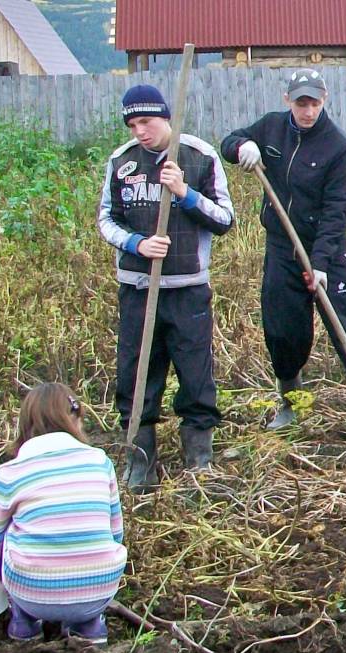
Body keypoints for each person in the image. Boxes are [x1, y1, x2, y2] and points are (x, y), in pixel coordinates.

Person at [220, 69, 346, 442]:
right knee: (283, 332)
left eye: (314, 103)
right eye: (301, 103)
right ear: (288, 100)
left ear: (324, 100)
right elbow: (228, 141)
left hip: (326, 254)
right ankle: (291, 401)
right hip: (281, 249)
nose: (307, 110)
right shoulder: (271, 128)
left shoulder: (337, 148)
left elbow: (336, 213)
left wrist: (319, 265)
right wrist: (241, 148)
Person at [98, 84, 234, 490]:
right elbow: (106, 220)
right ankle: (140, 461)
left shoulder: (198, 156)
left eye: (147, 122)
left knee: (196, 374)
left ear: (165, 118)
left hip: (187, 286)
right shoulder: (122, 162)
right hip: (138, 287)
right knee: (137, 372)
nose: (140, 131)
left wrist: (184, 193)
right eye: (133, 123)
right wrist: (137, 243)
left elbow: (225, 219)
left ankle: (199, 458)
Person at [0, 383, 126, 645]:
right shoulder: (101, 462)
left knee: (12, 533)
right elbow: (115, 534)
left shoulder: (9, 473)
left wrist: (0, 577)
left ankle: (24, 622)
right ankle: (89, 625)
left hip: (32, 595)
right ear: (75, 419)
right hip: (98, 590)